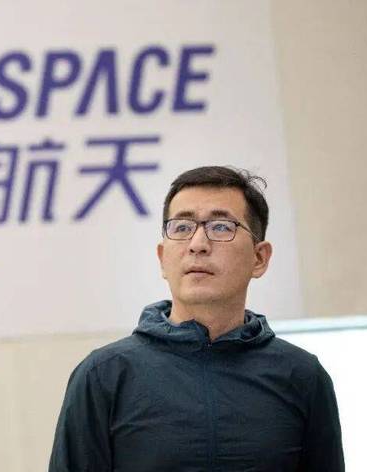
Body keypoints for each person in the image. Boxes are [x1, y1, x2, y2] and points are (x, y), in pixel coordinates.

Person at [48, 166, 344, 471]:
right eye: (182, 227)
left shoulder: (302, 377)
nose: (198, 244)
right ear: (162, 258)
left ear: (259, 258)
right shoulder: (104, 375)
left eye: (221, 227)